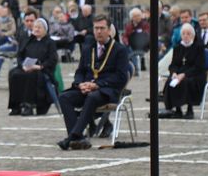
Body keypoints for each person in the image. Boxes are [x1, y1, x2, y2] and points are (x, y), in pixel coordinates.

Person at [56, 15, 130, 150]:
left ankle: (72, 137)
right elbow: (80, 72)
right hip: (87, 88)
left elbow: (120, 77)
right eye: (96, 28)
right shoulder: (88, 48)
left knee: (92, 97)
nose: (99, 31)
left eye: (102, 28)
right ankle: (78, 139)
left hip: (107, 91)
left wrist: (97, 85)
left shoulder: (119, 50)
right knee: (64, 97)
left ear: (109, 30)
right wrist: (80, 84)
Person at [8, 17, 57, 116]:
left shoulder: (50, 42)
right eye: (35, 27)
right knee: (14, 74)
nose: (36, 29)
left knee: (31, 76)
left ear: (45, 30)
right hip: (26, 67)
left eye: (39, 27)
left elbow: (52, 60)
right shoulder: (28, 40)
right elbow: (20, 55)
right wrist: (22, 65)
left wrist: (39, 67)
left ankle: (28, 105)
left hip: (41, 69)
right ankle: (15, 106)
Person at [161, 23, 206, 119]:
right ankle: (178, 109)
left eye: (188, 34)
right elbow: (173, 64)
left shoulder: (198, 47)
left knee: (187, 82)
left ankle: (190, 110)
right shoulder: (177, 48)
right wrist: (174, 73)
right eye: (183, 34)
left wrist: (184, 74)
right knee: (170, 82)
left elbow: (199, 66)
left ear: (193, 36)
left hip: (194, 73)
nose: (185, 36)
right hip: (178, 73)